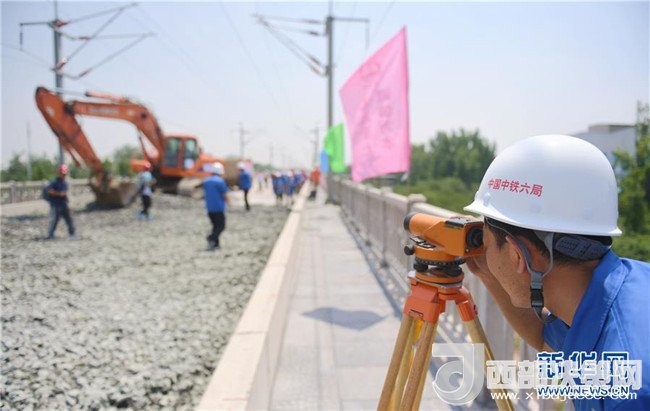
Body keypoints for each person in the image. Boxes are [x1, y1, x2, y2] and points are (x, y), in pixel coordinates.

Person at [463, 135, 649, 410]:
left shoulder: (628, 394)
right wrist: (488, 273)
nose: (485, 252)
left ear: (516, 255)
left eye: (486, 243)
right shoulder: (620, 288)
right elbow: (546, 339)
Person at [203, 162, 229, 250]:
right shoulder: (220, 181)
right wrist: (229, 203)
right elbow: (224, 194)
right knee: (221, 226)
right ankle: (211, 237)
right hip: (218, 208)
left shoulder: (206, 181)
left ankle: (216, 244)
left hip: (209, 208)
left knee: (215, 226)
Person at [46, 164, 76, 239]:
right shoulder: (54, 181)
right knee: (54, 220)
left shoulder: (65, 182)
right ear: (59, 173)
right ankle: (50, 234)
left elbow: (65, 193)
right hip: (56, 204)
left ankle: (72, 234)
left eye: (65, 173)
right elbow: (49, 191)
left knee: (69, 219)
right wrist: (59, 194)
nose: (64, 175)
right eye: (62, 173)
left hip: (64, 204)